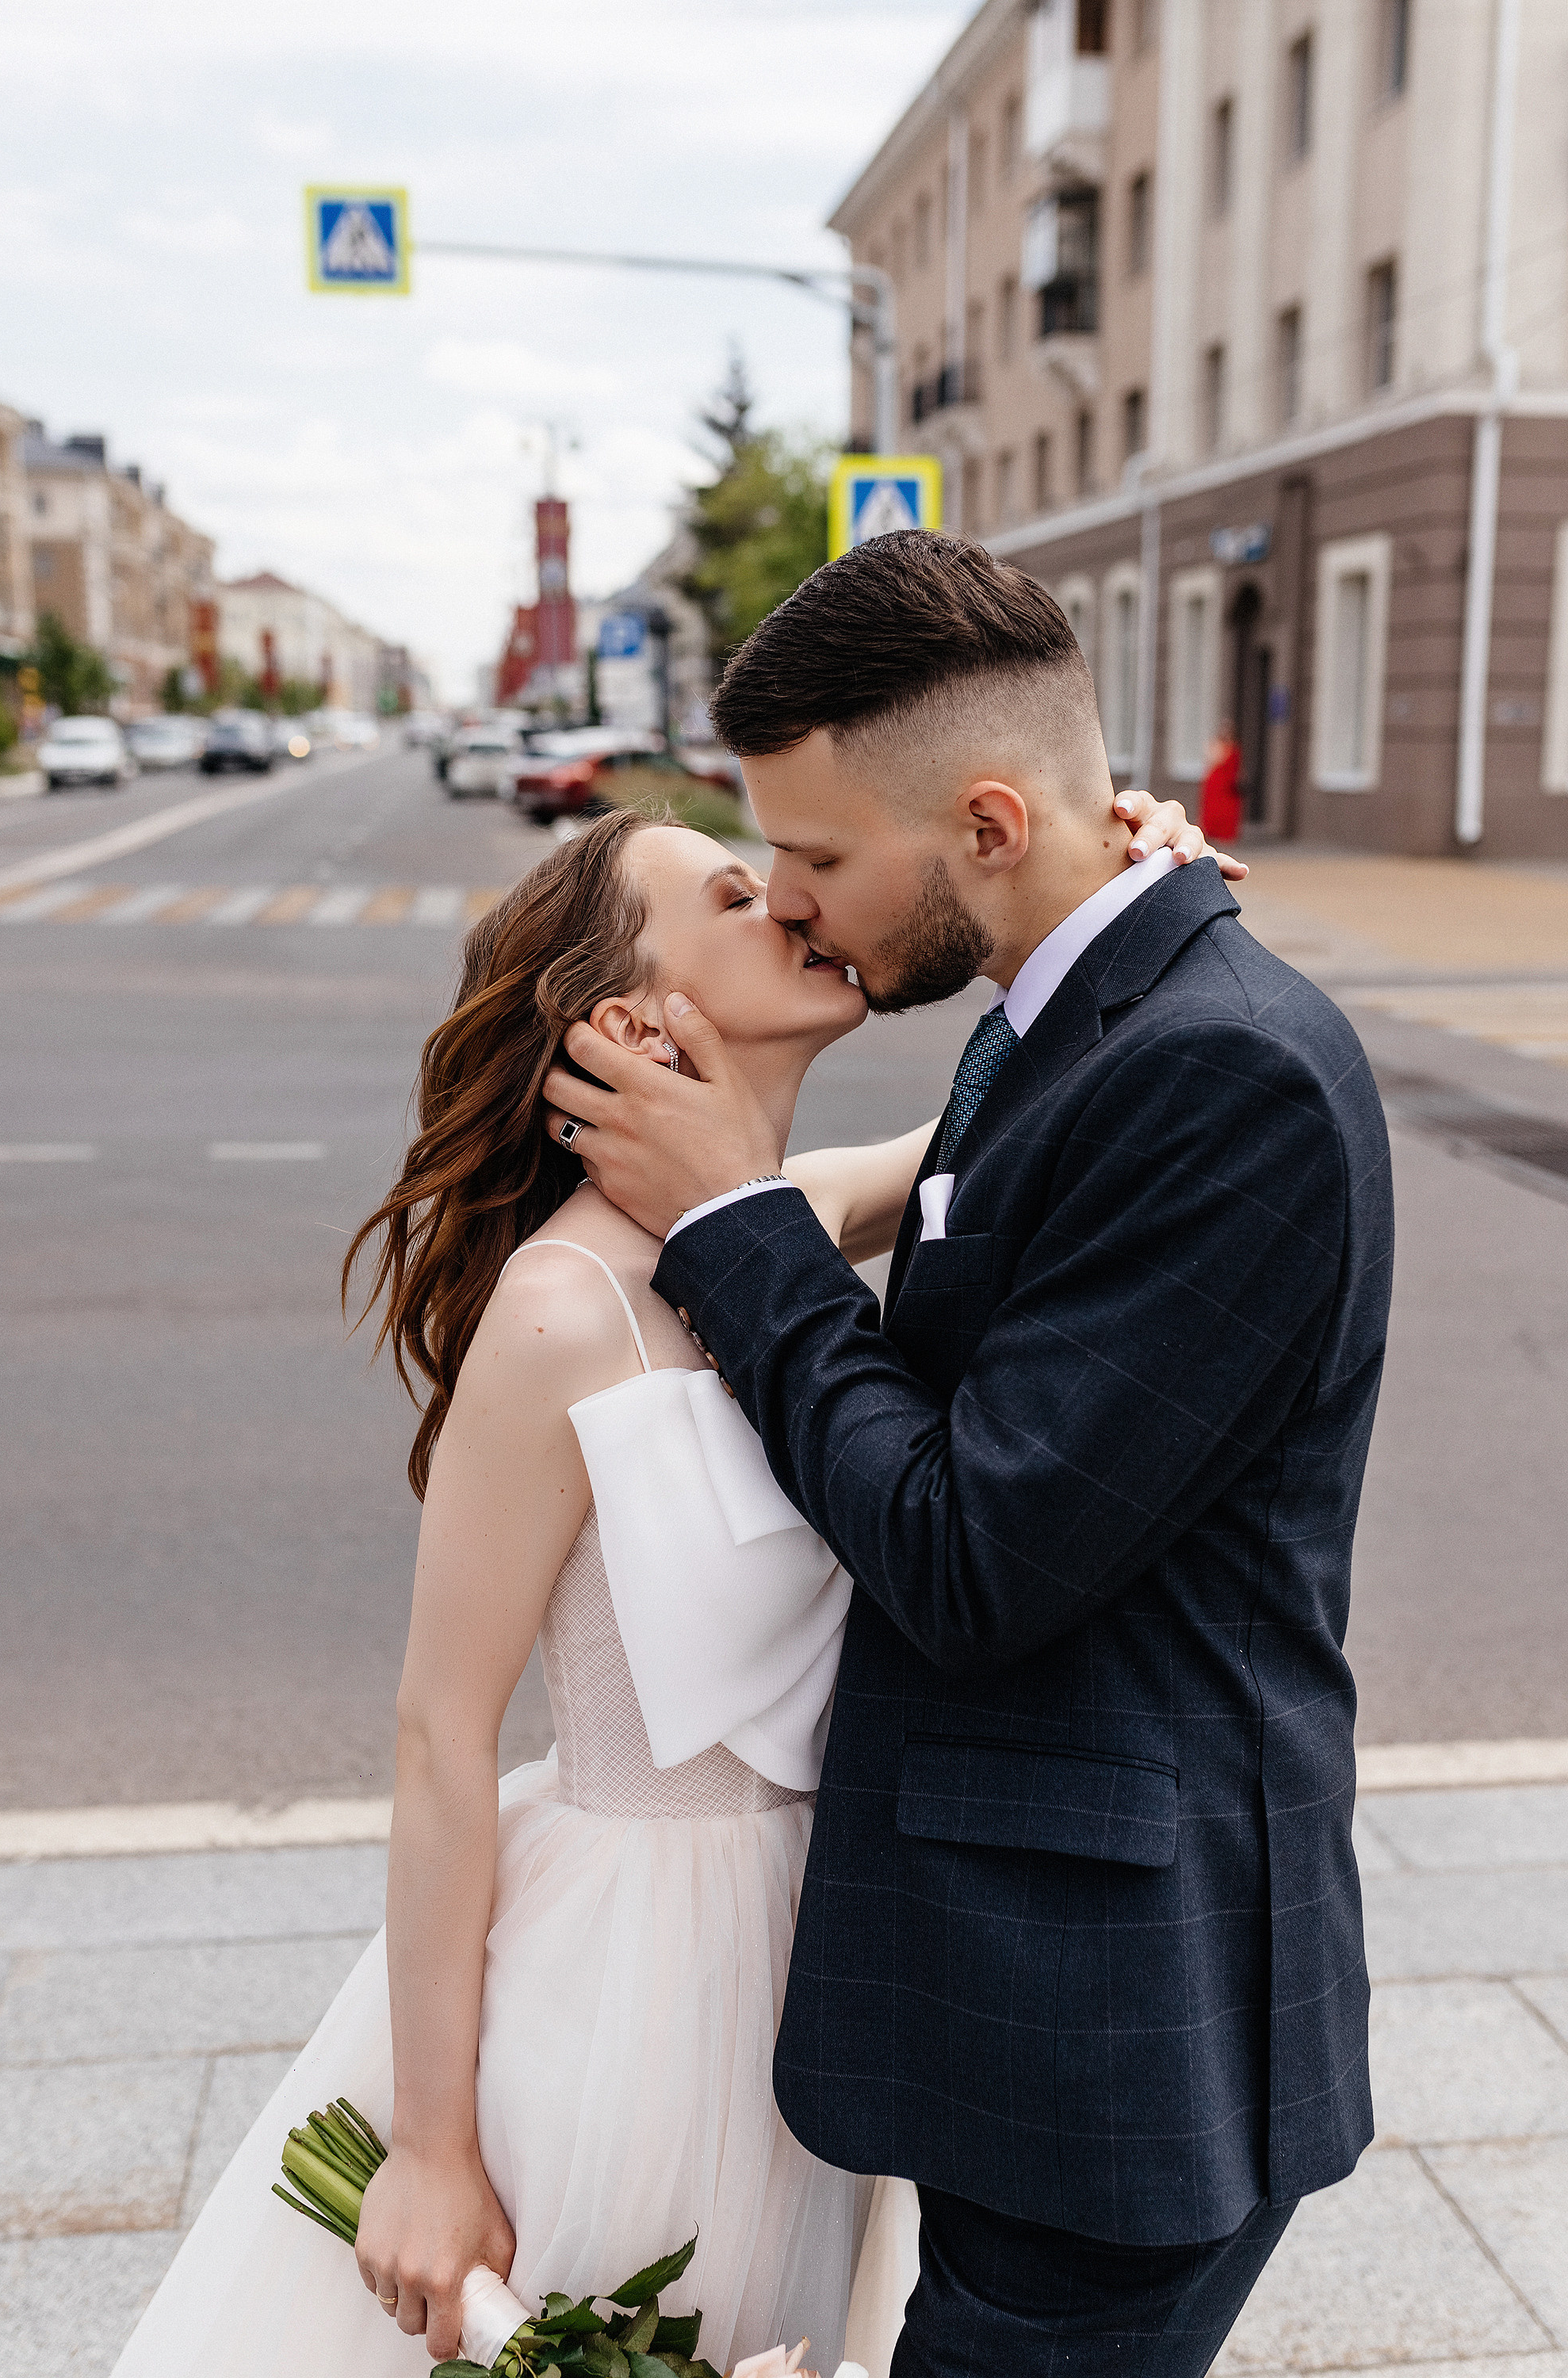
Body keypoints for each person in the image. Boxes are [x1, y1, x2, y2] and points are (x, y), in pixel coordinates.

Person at [111, 775, 1232, 2378]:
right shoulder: (565, 1309)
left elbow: (1048, 1099)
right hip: (631, 1975)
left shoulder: (780, 1225)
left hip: (815, 1953)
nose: (782, 895)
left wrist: (1124, 895)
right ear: (633, 1023)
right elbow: (440, 1733)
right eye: (725, 891)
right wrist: (433, 2141)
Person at [543, 532, 1395, 2378]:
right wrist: (743, 1196)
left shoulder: (1216, 1068)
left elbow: (968, 1549)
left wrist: (726, 1233)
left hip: (1121, 2036)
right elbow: (954, 1202)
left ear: (991, 825)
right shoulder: (1068, 1007)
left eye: (826, 855)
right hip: (1046, 1993)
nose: (790, 896)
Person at [1200, 717, 1243, 842]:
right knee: (1215, 808)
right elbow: (1212, 760)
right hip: (1217, 782)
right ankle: (1213, 832)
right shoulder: (1216, 745)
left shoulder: (1234, 747)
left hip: (1229, 782)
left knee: (1229, 810)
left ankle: (1226, 835)